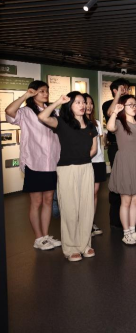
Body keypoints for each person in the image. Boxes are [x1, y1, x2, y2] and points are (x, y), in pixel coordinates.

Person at [38, 92, 98, 262]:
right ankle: (70, 247)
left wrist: (83, 159)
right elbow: (42, 117)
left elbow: (94, 149)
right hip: (67, 169)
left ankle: (84, 244)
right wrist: (58, 101)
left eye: (83, 102)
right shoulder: (62, 123)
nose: (82, 105)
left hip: (86, 168)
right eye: (77, 102)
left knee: (86, 208)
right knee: (70, 209)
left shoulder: (90, 125)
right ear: (69, 105)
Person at [4, 80, 61, 251]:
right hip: (34, 162)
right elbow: (9, 111)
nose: (46, 94)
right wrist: (25, 95)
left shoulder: (54, 111)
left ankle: (45, 235)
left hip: (52, 163)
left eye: (47, 91)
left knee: (48, 200)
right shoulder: (26, 112)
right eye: (42, 91)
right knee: (36, 202)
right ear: (33, 92)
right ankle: (38, 238)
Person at [107, 95, 136, 245]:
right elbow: (110, 127)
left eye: (135, 104)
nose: (134, 107)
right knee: (125, 200)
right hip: (125, 162)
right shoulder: (119, 122)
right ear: (122, 107)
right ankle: (126, 233)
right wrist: (115, 112)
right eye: (130, 104)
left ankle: (133, 231)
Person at [102, 78, 132, 229]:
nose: (126, 90)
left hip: (130, 148)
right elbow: (109, 113)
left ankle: (128, 217)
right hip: (116, 147)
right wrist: (118, 96)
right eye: (122, 88)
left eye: (126, 88)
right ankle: (115, 218)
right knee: (118, 181)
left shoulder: (129, 105)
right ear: (115, 90)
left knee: (129, 182)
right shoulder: (108, 104)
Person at [83, 94, 105, 237]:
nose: (89, 106)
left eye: (91, 103)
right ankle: (83, 223)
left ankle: (91, 222)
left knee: (94, 193)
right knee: (84, 194)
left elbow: (99, 144)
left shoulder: (96, 123)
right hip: (83, 162)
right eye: (86, 103)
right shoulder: (75, 123)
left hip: (97, 161)